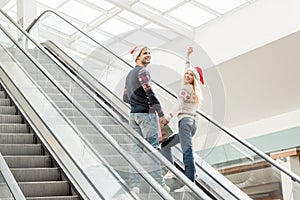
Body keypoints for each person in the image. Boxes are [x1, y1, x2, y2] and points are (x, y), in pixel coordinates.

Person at [123, 45, 170, 193]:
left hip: (133, 115)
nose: (148, 55)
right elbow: (149, 92)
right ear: (137, 56)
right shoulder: (143, 72)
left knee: (136, 150)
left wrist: (135, 102)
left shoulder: (129, 74)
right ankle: (159, 184)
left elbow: (125, 96)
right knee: (153, 149)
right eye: (145, 53)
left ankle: (135, 185)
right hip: (146, 114)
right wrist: (161, 114)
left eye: (149, 53)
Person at [160, 47, 204, 192]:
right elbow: (187, 69)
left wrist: (168, 118)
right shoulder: (195, 90)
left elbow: (178, 103)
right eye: (186, 74)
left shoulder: (186, 89)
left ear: (193, 79)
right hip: (192, 124)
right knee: (166, 145)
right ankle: (172, 169)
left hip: (185, 123)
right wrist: (187, 56)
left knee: (187, 152)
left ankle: (190, 183)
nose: (186, 76)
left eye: (190, 75)